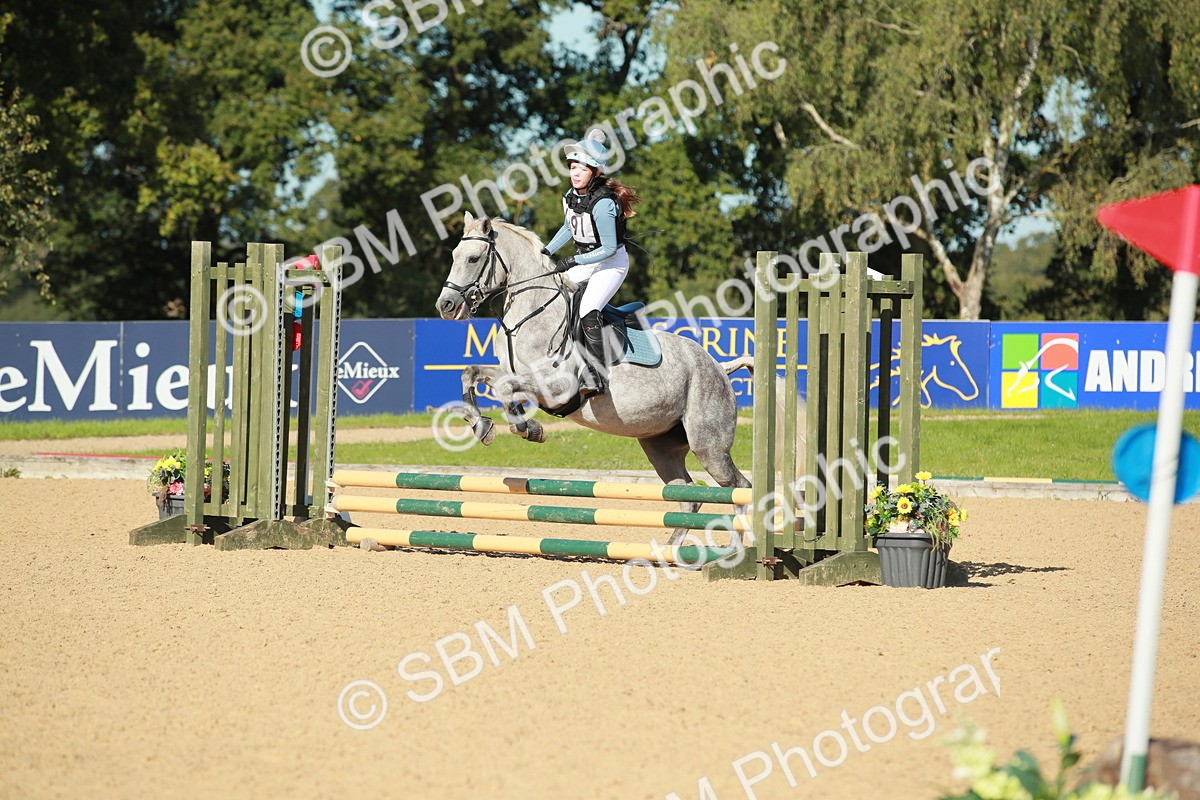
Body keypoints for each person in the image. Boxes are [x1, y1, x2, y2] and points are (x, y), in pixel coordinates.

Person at [541, 129, 641, 396]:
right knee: (554, 297)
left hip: (612, 263)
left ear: (595, 172)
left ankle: (597, 374)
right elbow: (568, 228)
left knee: (587, 308)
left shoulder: (604, 204)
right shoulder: (570, 196)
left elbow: (608, 249)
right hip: (586, 261)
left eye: (582, 169)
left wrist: (573, 260)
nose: (575, 173)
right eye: (573, 167)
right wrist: (545, 252)